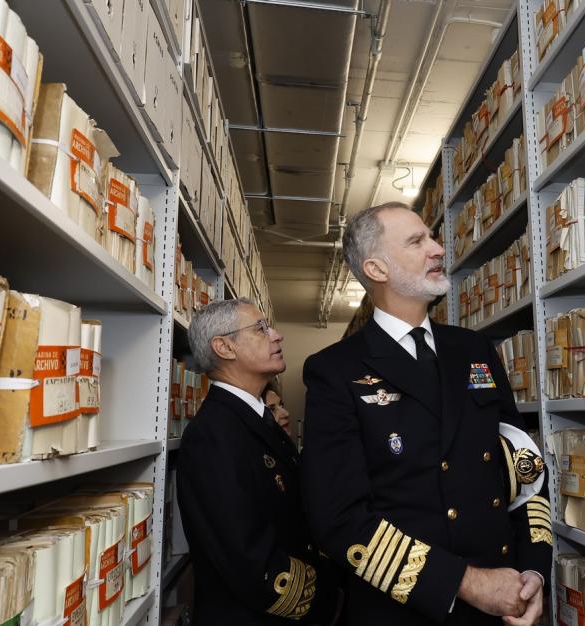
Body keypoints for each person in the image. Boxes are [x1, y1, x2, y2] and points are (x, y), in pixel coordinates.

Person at [302, 202, 552, 626]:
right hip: (407, 609)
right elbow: (338, 519)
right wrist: (466, 583)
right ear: (377, 269)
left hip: (507, 603)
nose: (437, 249)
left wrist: (533, 572)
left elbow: (524, 468)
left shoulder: (474, 350)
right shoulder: (335, 371)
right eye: (417, 241)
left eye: (432, 237)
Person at [177, 298, 341, 624]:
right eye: (261, 328)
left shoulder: (255, 419)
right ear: (224, 347)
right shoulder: (213, 435)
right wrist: (328, 597)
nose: (277, 335)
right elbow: (247, 558)